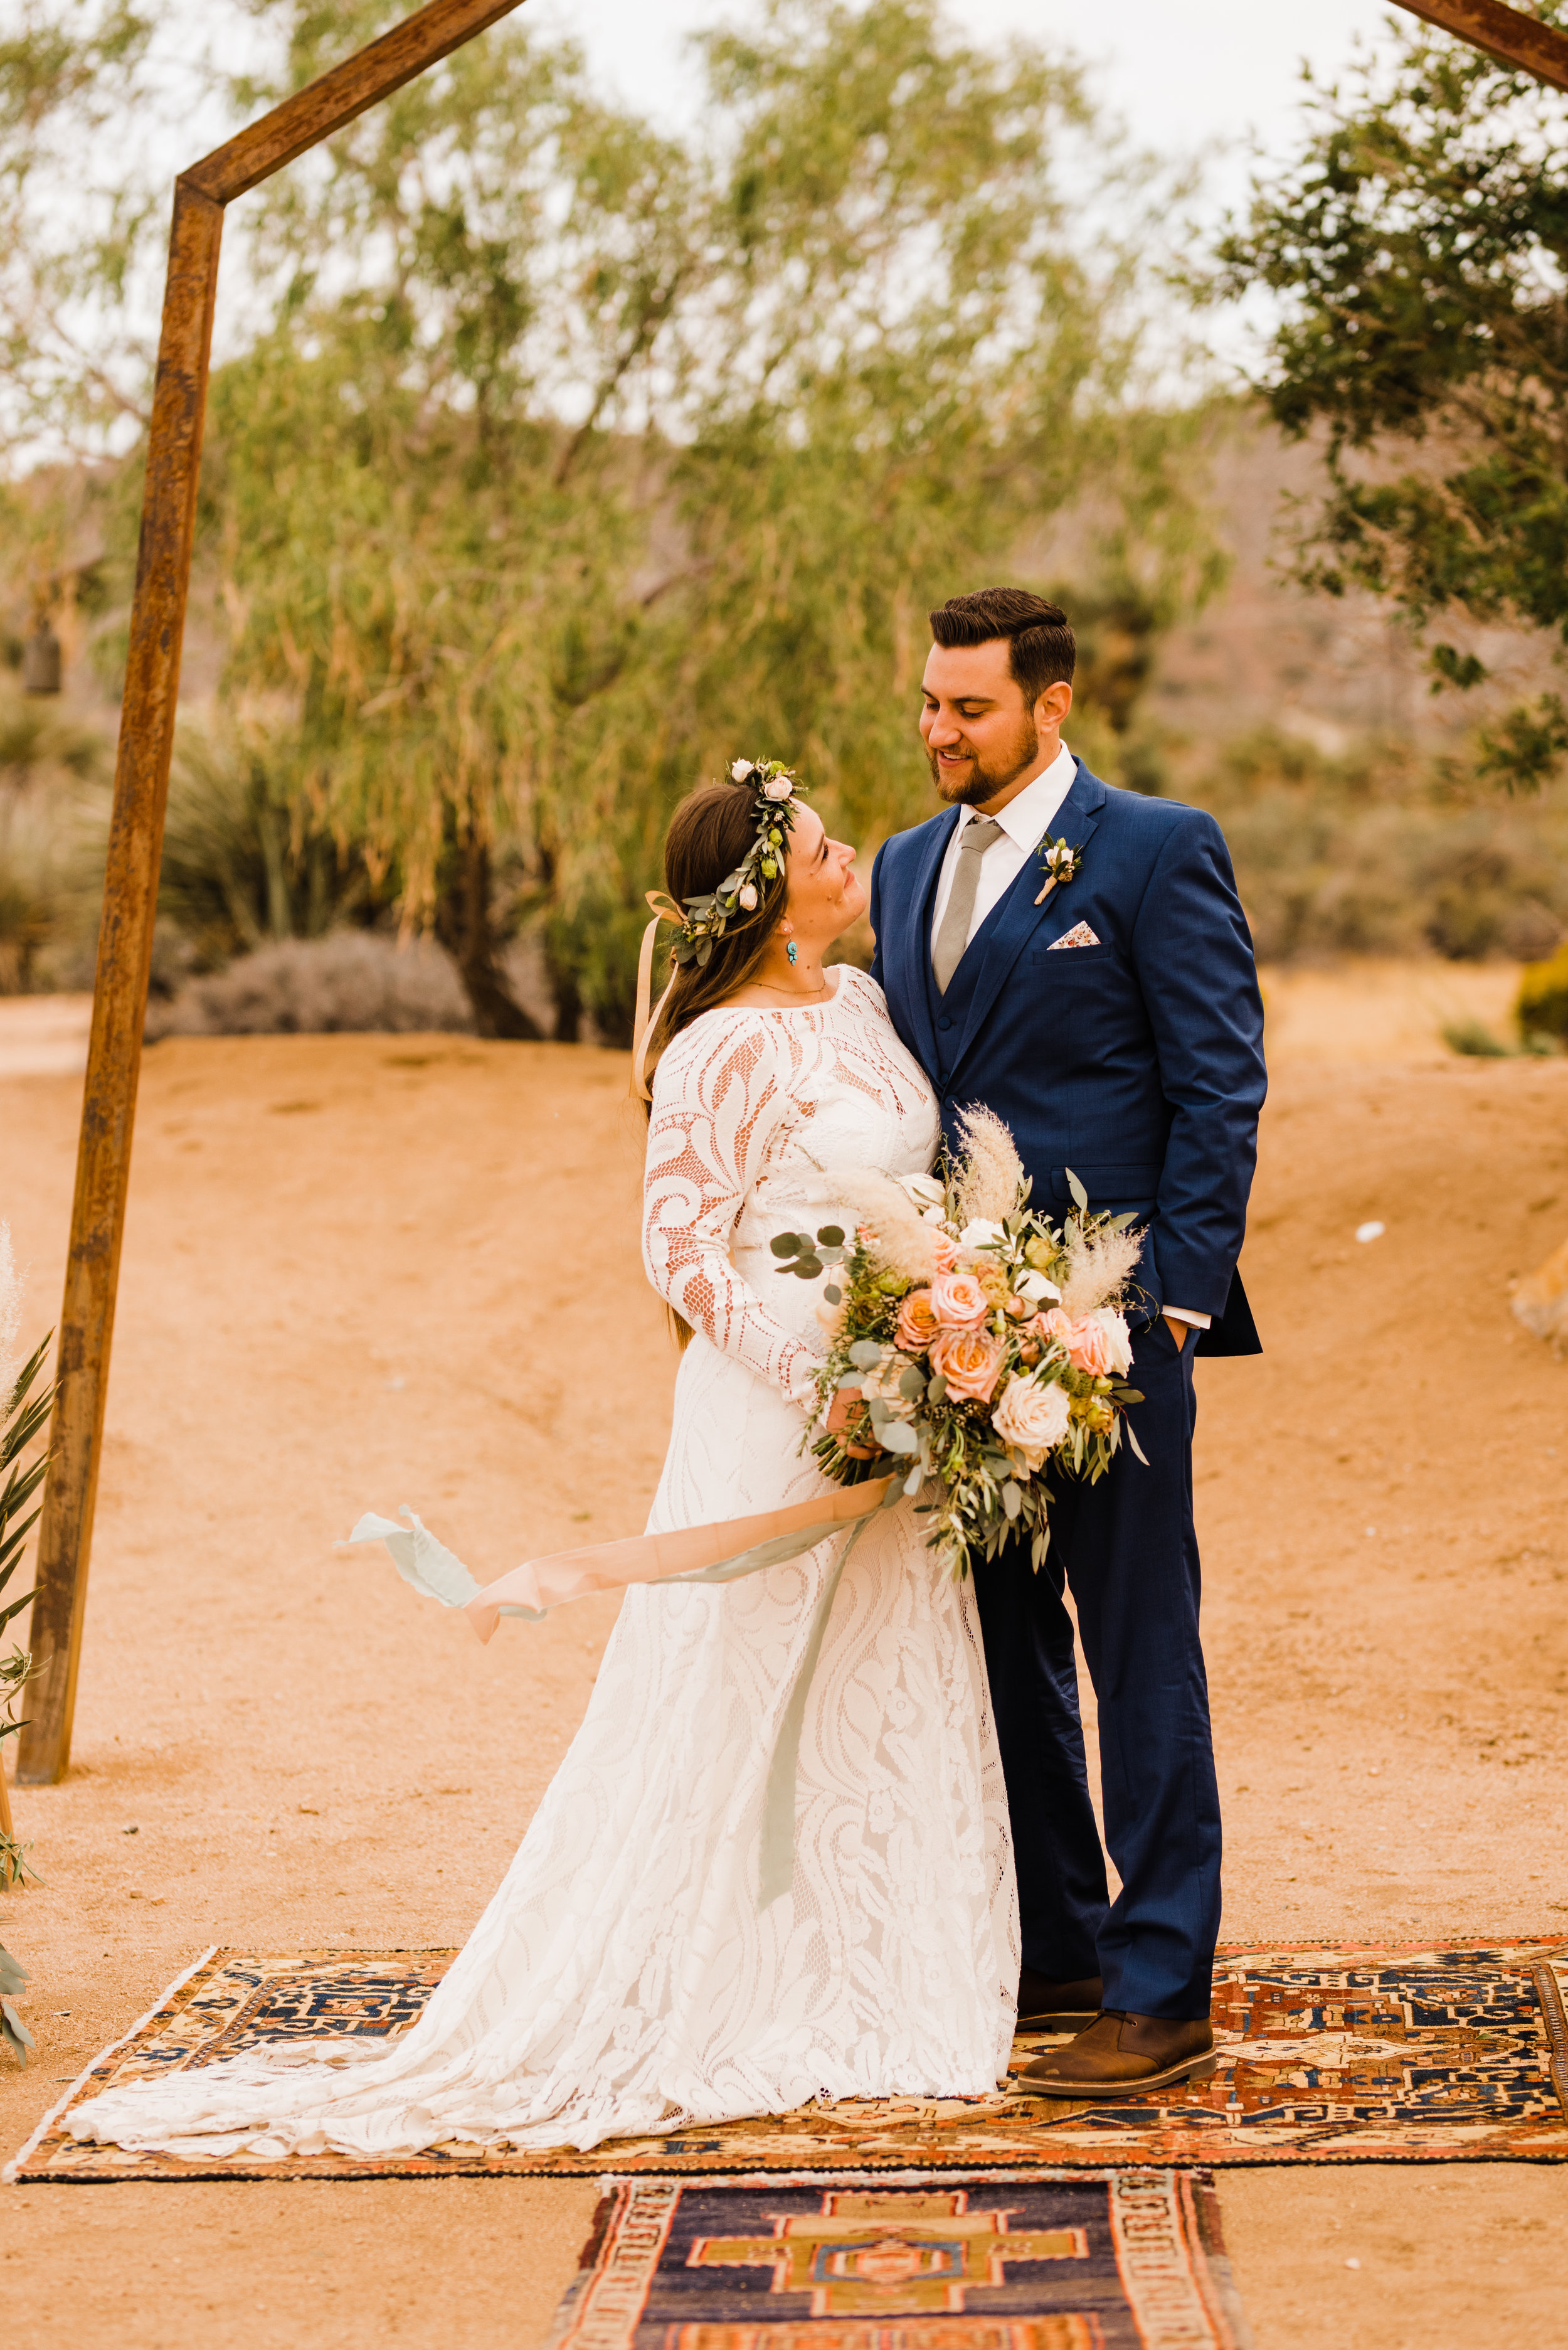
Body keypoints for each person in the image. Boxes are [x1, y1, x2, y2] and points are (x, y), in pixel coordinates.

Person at [65, 766, 1018, 2163]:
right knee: (730, 1687)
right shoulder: (716, 1054)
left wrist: (938, 1332)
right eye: (823, 843)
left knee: (885, 1675)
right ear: (772, 896)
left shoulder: (863, 1005)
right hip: (779, 1417)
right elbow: (681, 1248)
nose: (849, 852)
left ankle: (887, 1975)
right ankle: (712, 1987)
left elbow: (910, 1197)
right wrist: (824, 1382)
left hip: (898, 1404)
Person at [871, 586, 1266, 2098]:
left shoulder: (1156, 849)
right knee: (996, 1642)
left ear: (1050, 704)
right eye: (926, 700)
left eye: (965, 706)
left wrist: (1168, 1293)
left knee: (1136, 1645)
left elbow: (1218, 1079)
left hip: (1116, 1333)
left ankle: (1164, 1990)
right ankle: (1063, 1948)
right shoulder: (905, 867)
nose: (935, 730)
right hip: (953, 1337)